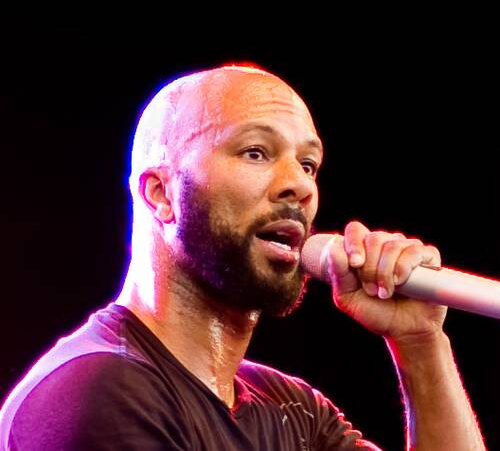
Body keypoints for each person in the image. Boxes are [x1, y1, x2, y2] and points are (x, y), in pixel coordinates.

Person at [0, 65, 485, 450]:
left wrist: (421, 344)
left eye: (308, 164)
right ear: (161, 194)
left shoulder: (293, 410)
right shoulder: (101, 392)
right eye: (256, 152)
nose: (300, 186)